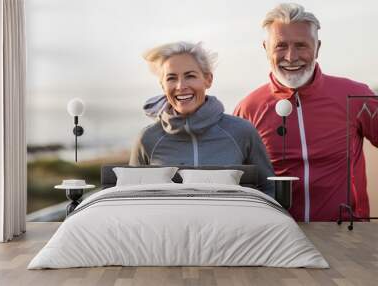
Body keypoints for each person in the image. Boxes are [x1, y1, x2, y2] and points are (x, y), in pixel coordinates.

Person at [234, 3, 378, 221]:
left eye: (301, 45)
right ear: (266, 48)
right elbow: (236, 182)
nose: (291, 56)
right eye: (281, 46)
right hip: (277, 239)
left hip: (348, 237)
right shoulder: (249, 108)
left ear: (317, 47)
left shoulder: (356, 96)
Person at [130, 41, 275, 197]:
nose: (180, 86)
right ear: (163, 85)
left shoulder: (242, 132)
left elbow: (268, 189)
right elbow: (130, 196)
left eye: (190, 76)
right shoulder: (147, 139)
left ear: (208, 79)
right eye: (171, 78)